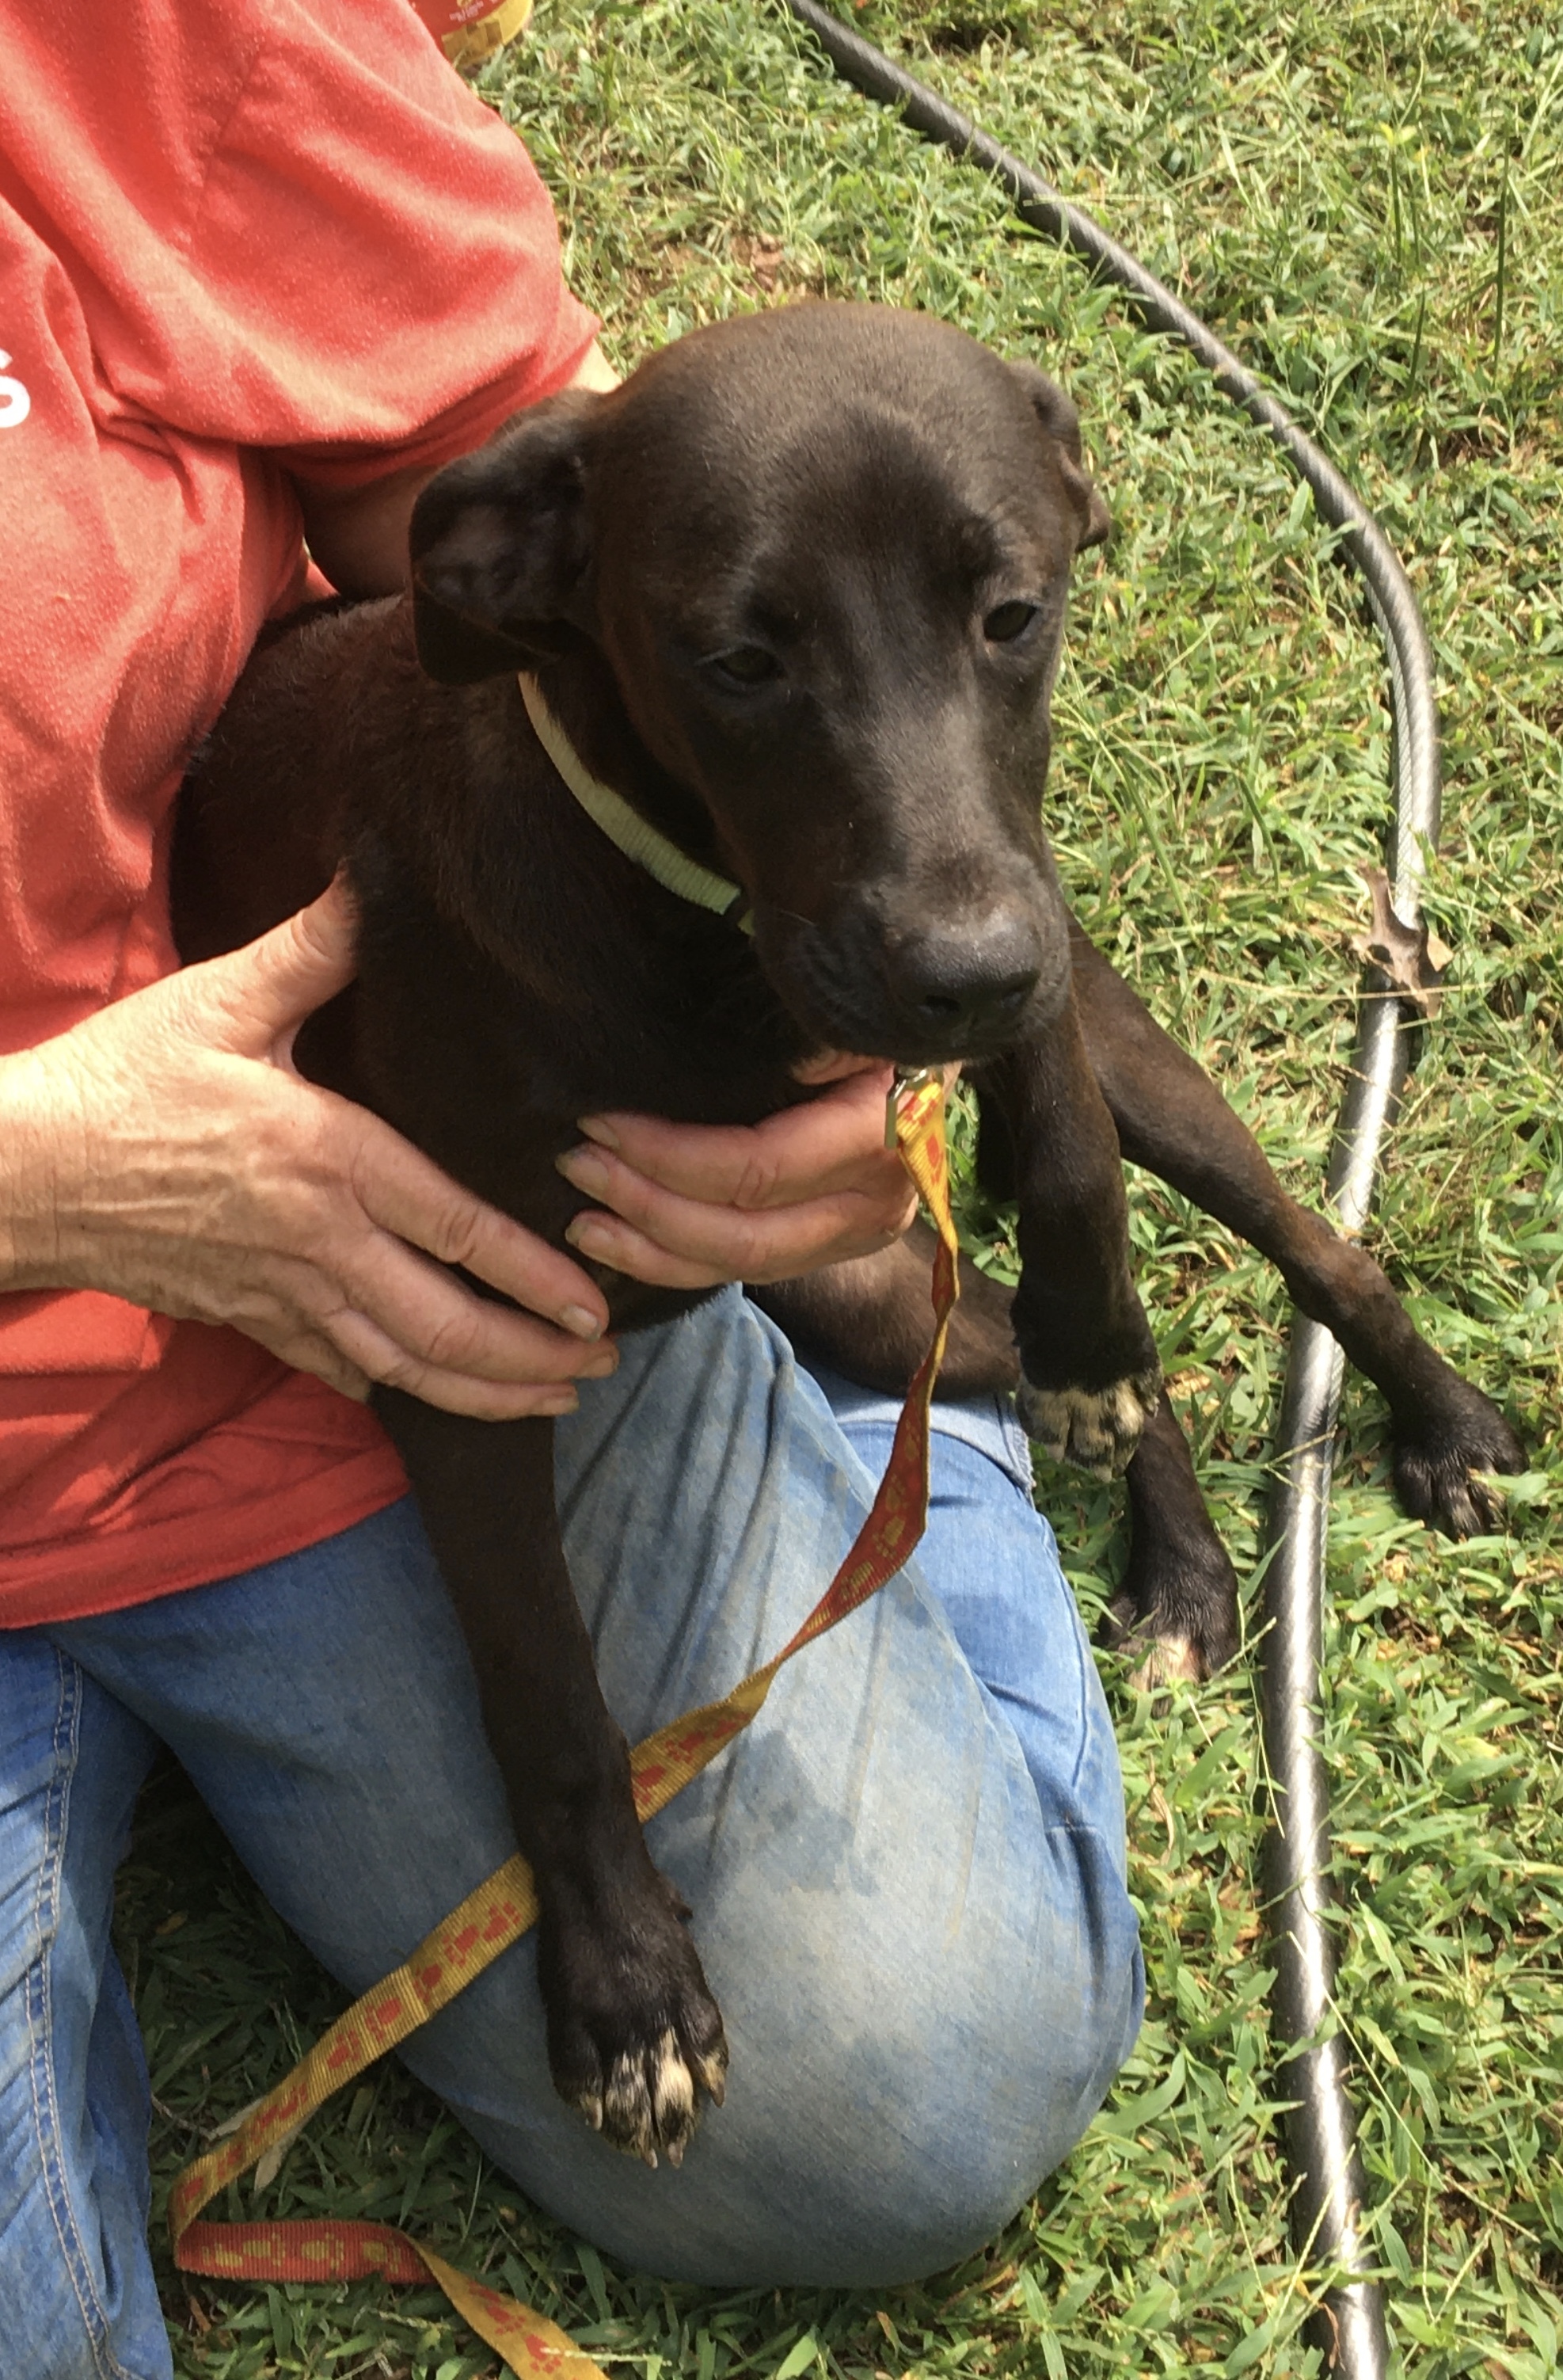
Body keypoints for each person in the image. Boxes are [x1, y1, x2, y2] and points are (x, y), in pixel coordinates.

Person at [0, 2, 1143, 2373]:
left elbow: (573, 474)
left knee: (918, 2099)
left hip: (415, 1294)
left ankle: (947, 1407)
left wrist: (785, 940)